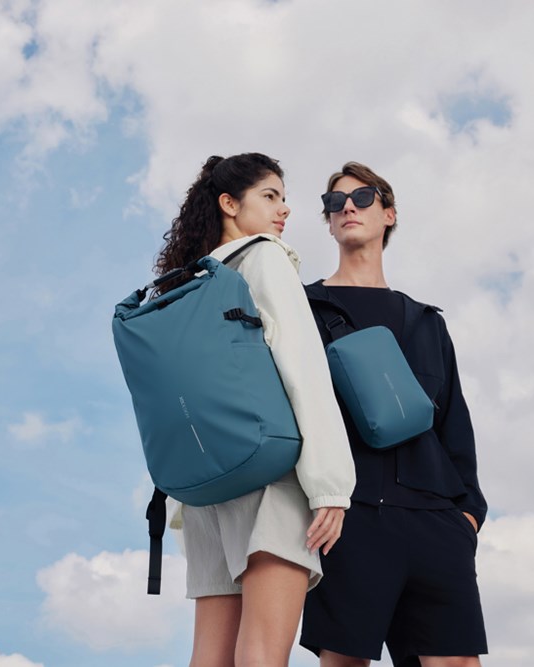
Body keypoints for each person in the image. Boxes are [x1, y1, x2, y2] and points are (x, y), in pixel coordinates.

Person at [155, 153, 355, 667]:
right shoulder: (265, 257)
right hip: (267, 475)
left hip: (204, 490)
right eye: (270, 196)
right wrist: (331, 485)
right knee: (263, 652)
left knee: (210, 657)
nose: (283, 209)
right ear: (229, 203)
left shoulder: (187, 282)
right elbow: (301, 364)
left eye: (284, 198)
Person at [299, 162, 488, 666]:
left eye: (362, 197)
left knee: (458, 662)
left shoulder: (426, 322)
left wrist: (467, 515)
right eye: (334, 202)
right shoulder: (303, 310)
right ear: (329, 222)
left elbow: (454, 426)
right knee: (345, 661)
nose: (347, 207)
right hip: (349, 517)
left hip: (436, 520)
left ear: (389, 214)